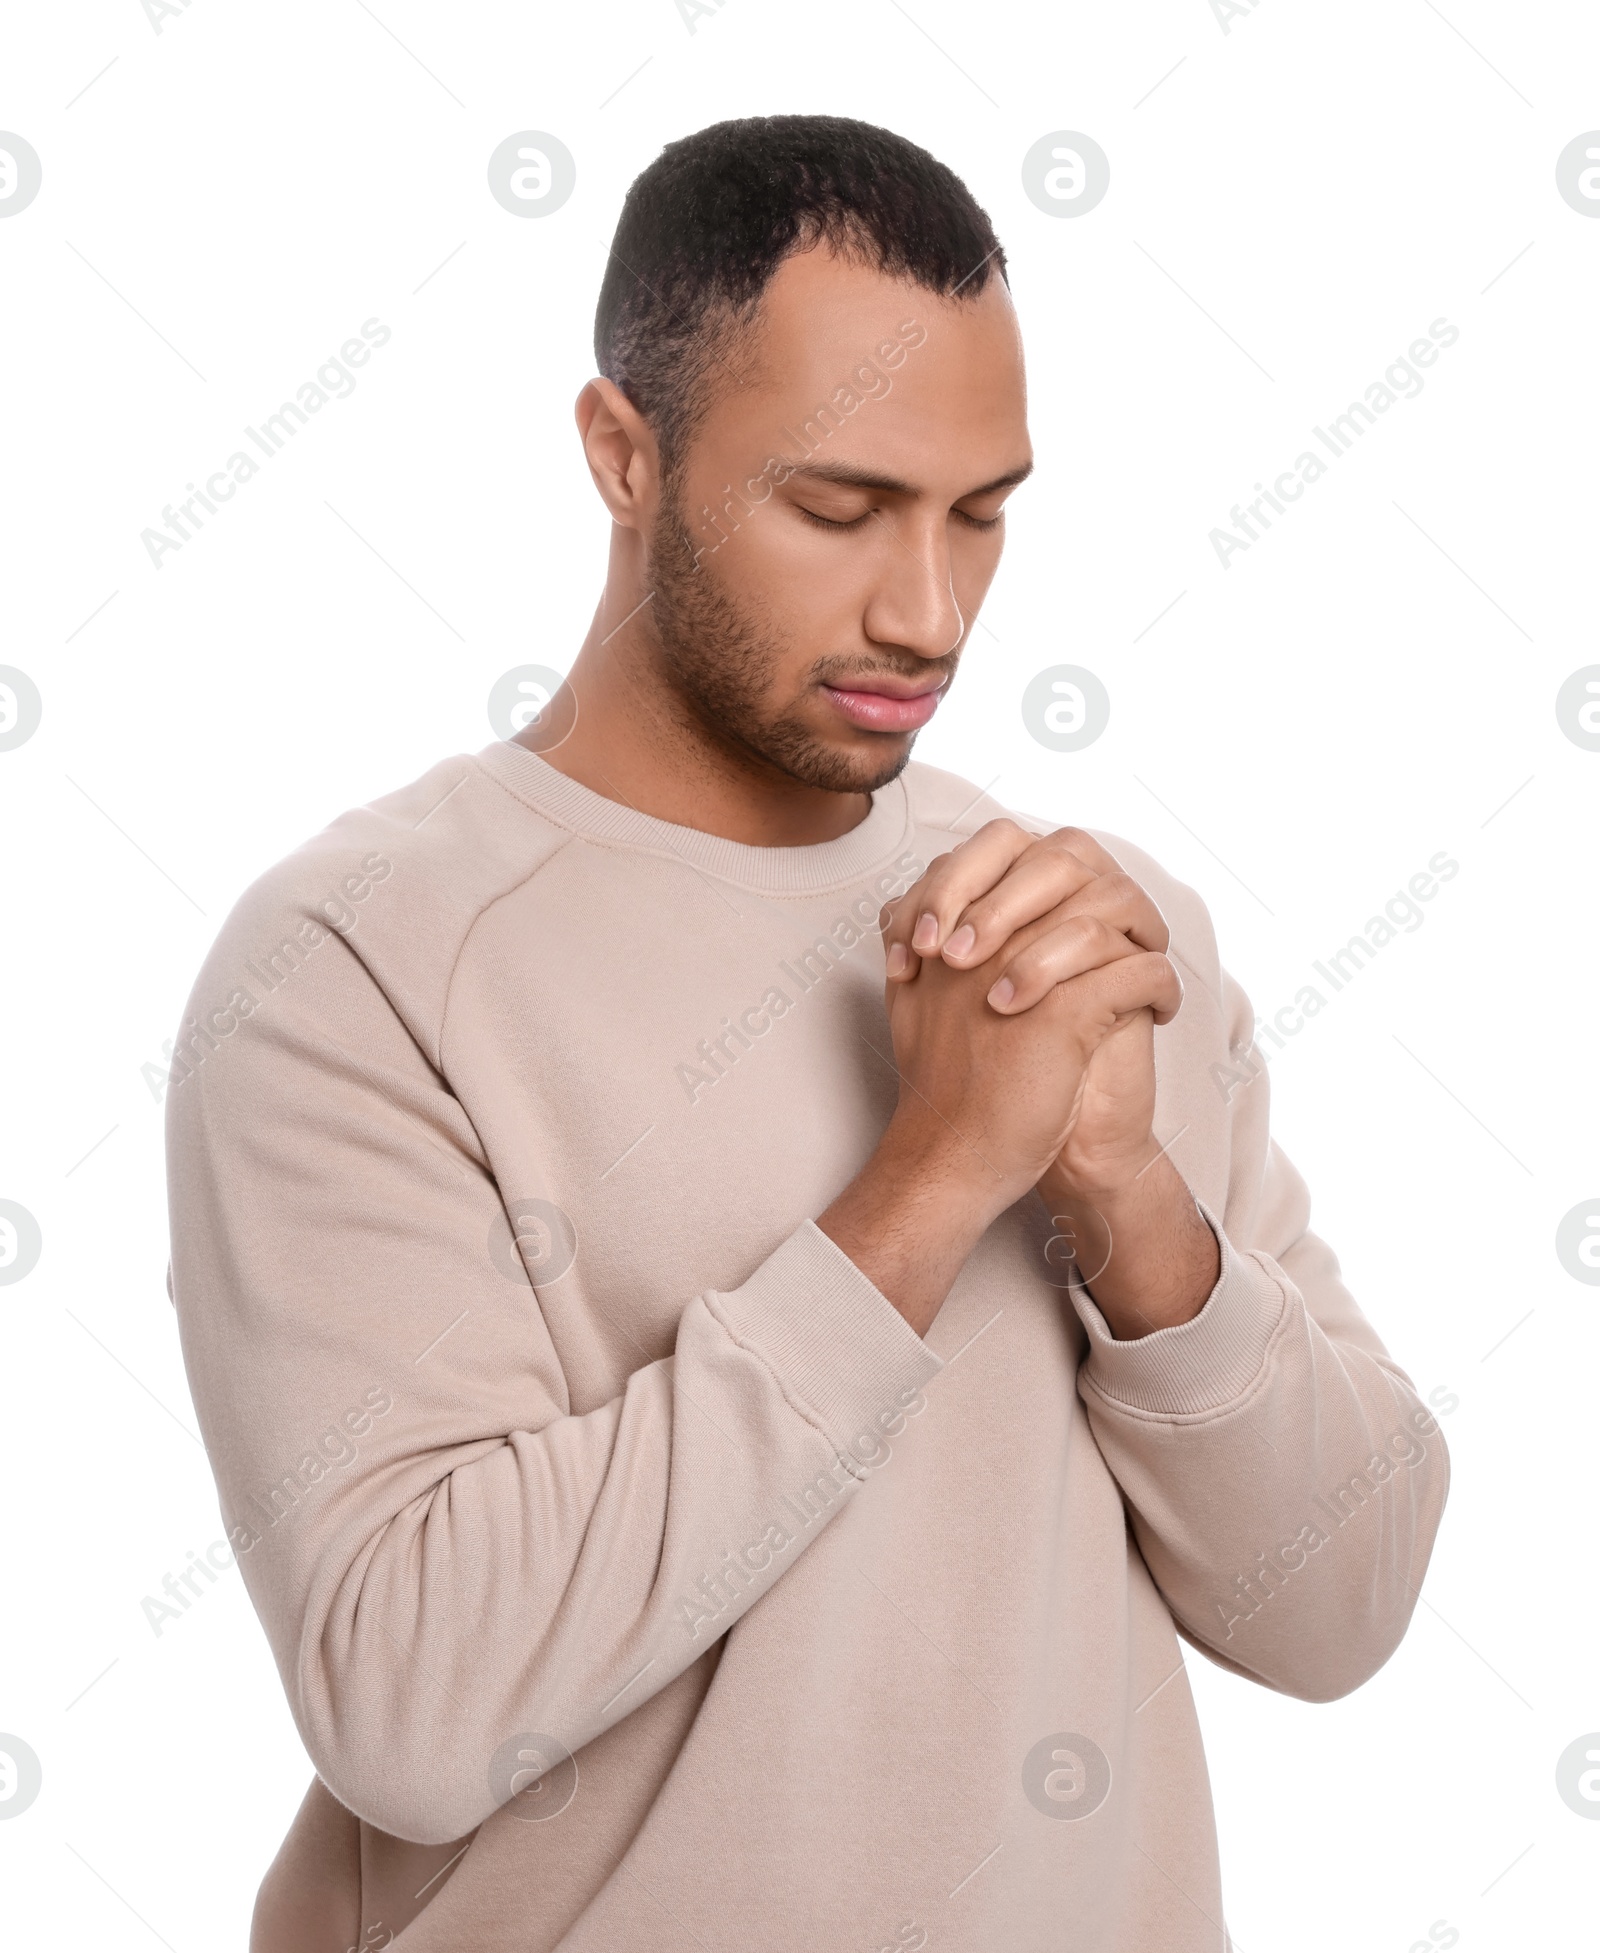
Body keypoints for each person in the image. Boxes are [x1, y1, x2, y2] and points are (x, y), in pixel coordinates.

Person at [164, 114, 1448, 1953]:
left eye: (981, 512)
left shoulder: (1081, 931)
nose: (927, 611)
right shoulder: (357, 966)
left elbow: (1344, 1611)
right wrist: (930, 1183)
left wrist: (1122, 1189)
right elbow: (414, 1701)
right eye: (838, 507)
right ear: (623, 454)